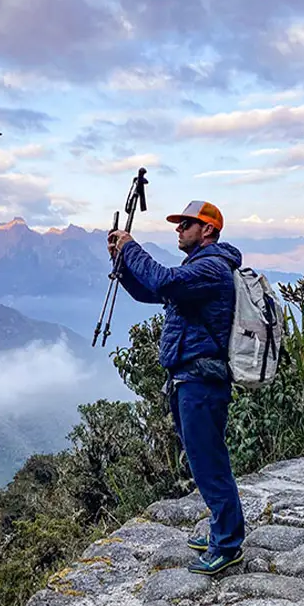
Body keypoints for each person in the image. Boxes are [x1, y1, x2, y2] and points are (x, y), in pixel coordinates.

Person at [107, 200, 246, 576]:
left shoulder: (212, 269)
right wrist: (122, 265)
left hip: (202, 380)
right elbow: (150, 292)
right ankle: (222, 528)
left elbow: (163, 281)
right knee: (203, 461)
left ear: (209, 230)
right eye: (180, 223)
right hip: (189, 378)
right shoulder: (197, 270)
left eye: (187, 224)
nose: (179, 229)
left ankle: (228, 544)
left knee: (208, 461)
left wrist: (131, 247)